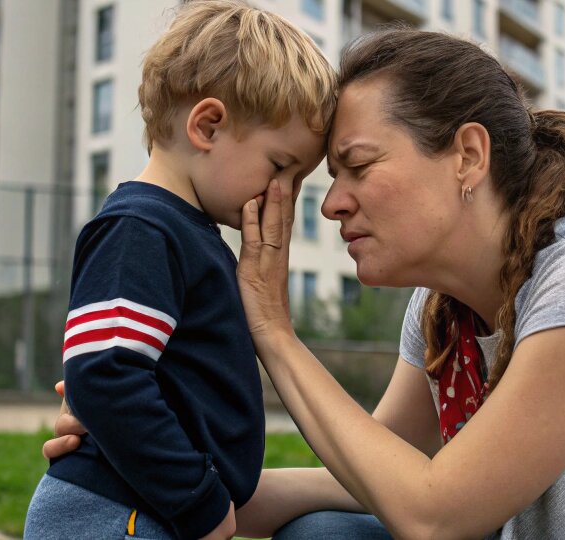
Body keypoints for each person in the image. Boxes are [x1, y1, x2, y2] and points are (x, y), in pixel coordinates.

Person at [49, 29, 565, 539]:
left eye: (356, 167)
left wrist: (274, 334)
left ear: (466, 156)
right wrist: (146, 460)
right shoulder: (442, 313)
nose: (329, 201)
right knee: (324, 534)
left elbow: (435, 514)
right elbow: (371, 475)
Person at [24, 2, 335, 539]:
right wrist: (200, 503)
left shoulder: (188, 232)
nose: (284, 192)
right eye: (280, 166)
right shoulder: (142, 228)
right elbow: (104, 375)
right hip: (115, 515)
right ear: (208, 125)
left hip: (138, 510)